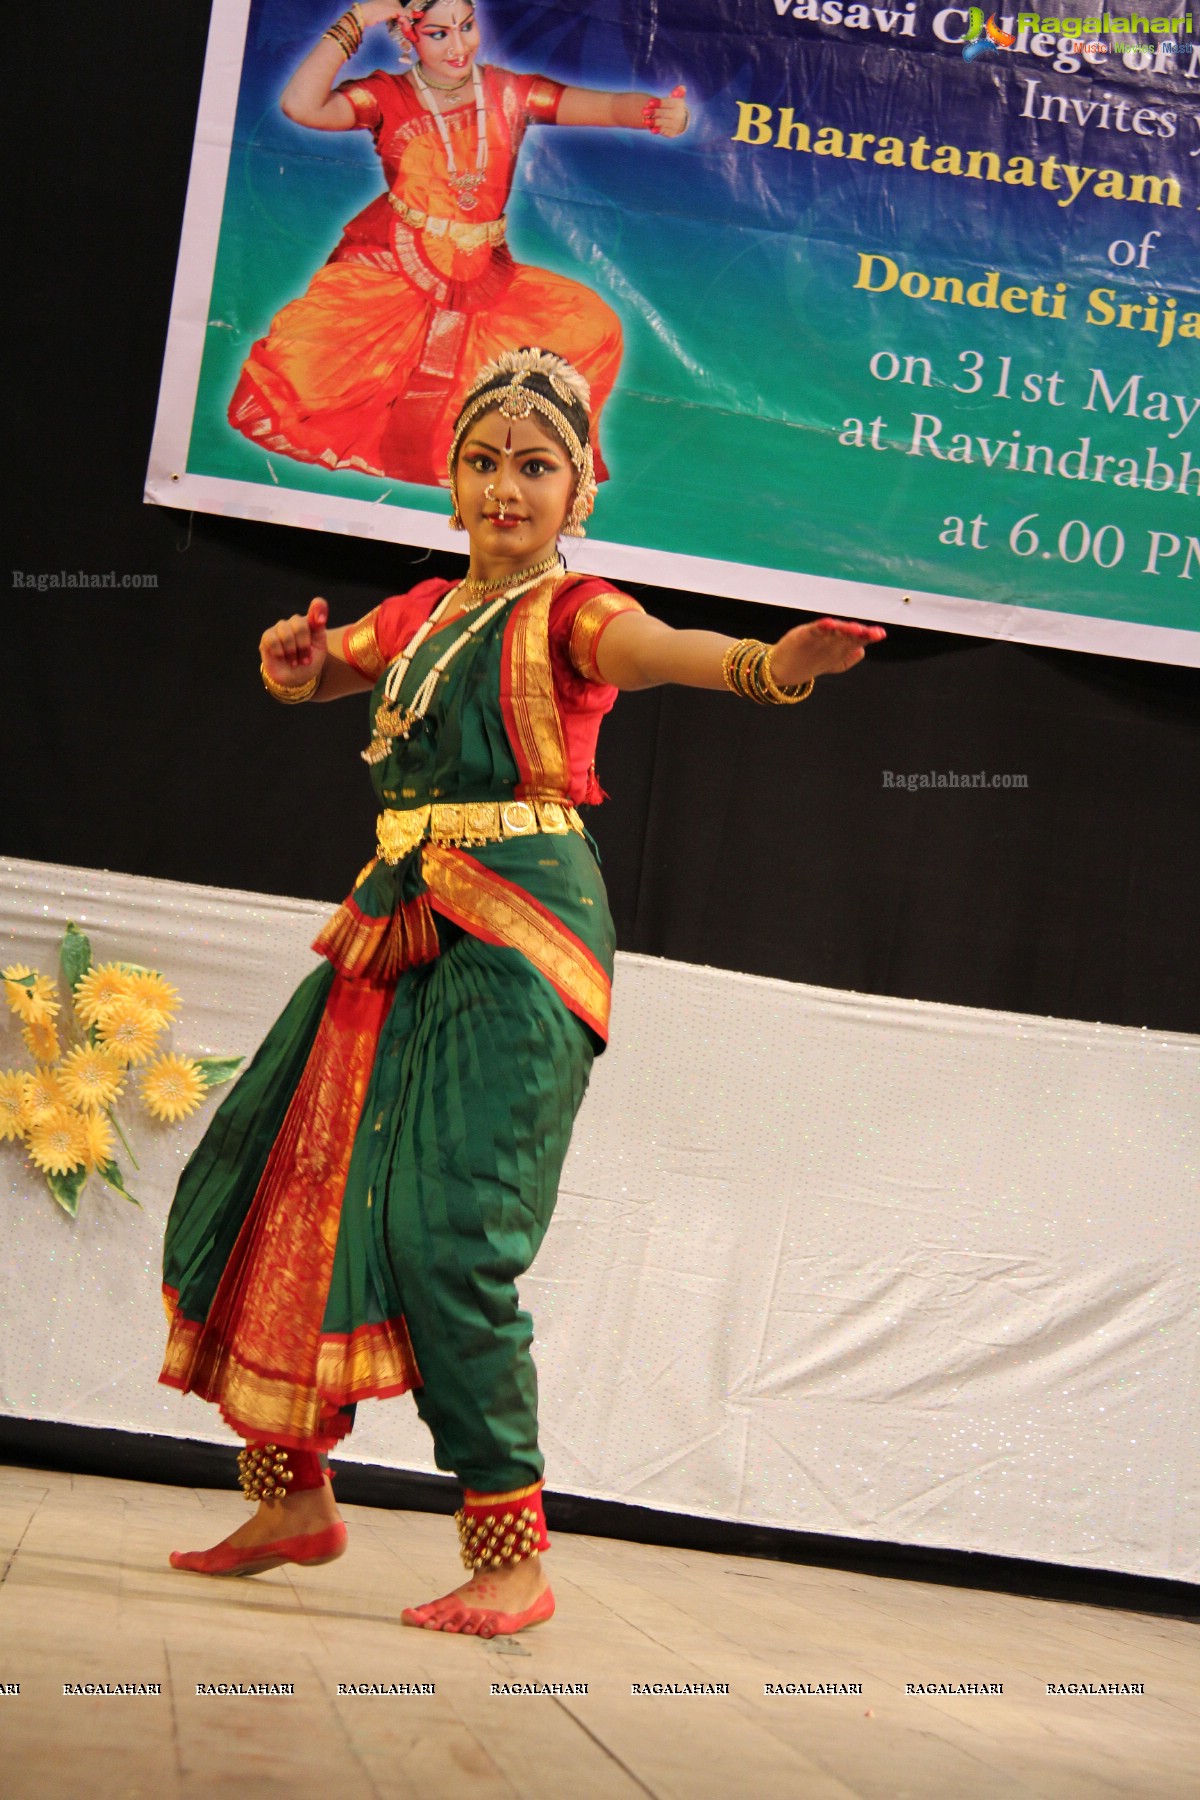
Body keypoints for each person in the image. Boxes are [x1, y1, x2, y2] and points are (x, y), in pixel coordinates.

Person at [163, 346, 885, 1637]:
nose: (508, 487)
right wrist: (294, 662)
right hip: (398, 919)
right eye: (485, 463)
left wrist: (775, 665)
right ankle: (290, 1496)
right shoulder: (426, 612)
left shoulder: (577, 614)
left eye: (536, 467)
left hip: (521, 935)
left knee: (451, 1234)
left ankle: (511, 1557)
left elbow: (669, 650)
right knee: (286, 1175)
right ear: (451, 483)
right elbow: (332, 673)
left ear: (579, 491)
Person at [228, 0, 689, 486]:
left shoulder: (509, 93)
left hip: (483, 274)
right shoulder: (387, 95)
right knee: (301, 374)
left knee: (593, 326)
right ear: (408, 34)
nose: (460, 45)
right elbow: (300, 106)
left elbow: (607, 106)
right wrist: (358, 19)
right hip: (393, 269)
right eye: (439, 33)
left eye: (467, 26)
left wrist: (655, 113)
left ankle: (513, 449)